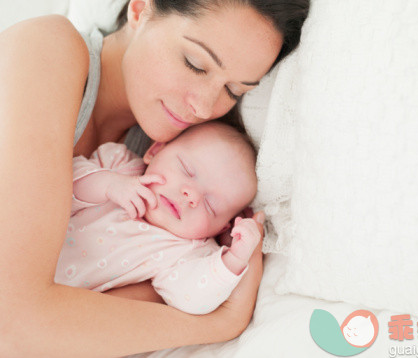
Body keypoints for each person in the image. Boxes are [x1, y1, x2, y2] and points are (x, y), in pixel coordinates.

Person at [0, 0, 309, 356]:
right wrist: (219, 324)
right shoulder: (46, 48)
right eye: (195, 64)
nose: (205, 107)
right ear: (140, 9)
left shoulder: (174, 177)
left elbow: (66, 322)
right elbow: (14, 323)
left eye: (233, 91)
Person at [58, 122, 261, 315]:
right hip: (32, 255)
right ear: (155, 151)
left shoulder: (187, 250)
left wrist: (234, 259)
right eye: (187, 170)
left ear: (220, 229)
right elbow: (56, 184)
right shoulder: (119, 167)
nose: (191, 195)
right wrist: (108, 185)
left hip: (56, 313)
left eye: (211, 206)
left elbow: (191, 298)